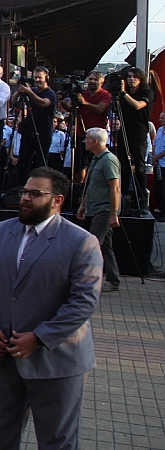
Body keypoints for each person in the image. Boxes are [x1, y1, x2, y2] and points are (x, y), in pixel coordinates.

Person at [0, 167, 103, 450]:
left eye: (34, 194)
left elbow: (83, 301)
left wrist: (38, 338)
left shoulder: (80, 241)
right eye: (24, 191)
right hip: (3, 351)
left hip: (55, 359)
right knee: (3, 425)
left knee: (57, 438)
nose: (25, 198)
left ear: (57, 201)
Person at [75, 128, 121, 293]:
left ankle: (87, 280)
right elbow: (90, 185)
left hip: (104, 209)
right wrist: (83, 204)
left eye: (87, 139)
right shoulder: (96, 159)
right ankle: (114, 279)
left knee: (92, 244)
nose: (84, 141)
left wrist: (114, 213)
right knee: (106, 246)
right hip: (95, 207)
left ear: (95, 141)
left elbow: (115, 187)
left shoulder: (108, 160)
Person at [117, 67, 152, 215]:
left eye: (134, 77)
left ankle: (141, 200)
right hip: (124, 132)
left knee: (139, 167)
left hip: (138, 134)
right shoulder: (122, 95)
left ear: (141, 79)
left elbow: (138, 106)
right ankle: (123, 198)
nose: (131, 79)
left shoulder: (147, 93)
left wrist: (124, 93)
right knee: (123, 166)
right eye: (129, 76)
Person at [12, 66, 57, 179]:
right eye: (35, 78)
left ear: (46, 78)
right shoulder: (33, 91)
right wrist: (19, 91)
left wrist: (30, 92)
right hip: (29, 130)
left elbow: (43, 103)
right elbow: (13, 102)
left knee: (40, 163)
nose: (37, 80)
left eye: (39, 78)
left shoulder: (50, 93)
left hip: (43, 132)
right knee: (23, 161)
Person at [76, 71, 111, 135]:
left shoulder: (106, 94)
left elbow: (100, 109)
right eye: (90, 79)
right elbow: (70, 108)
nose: (92, 81)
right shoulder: (82, 94)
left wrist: (85, 103)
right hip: (80, 133)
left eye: (95, 79)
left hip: (97, 133)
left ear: (101, 82)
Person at [152, 112, 165, 221]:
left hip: (164, 164)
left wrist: (157, 157)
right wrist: (153, 157)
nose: (160, 120)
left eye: (162, 118)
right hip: (158, 165)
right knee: (158, 189)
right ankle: (160, 210)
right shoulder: (160, 130)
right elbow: (155, 143)